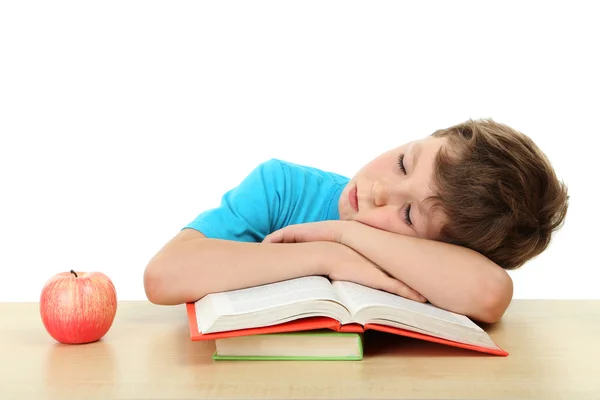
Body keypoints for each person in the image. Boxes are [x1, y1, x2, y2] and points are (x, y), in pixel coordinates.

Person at [143, 118, 569, 323]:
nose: (378, 192)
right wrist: (327, 256)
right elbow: (163, 277)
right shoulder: (283, 188)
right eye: (404, 163)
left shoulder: (440, 264)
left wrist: (343, 233)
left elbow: (491, 292)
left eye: (407, 214)